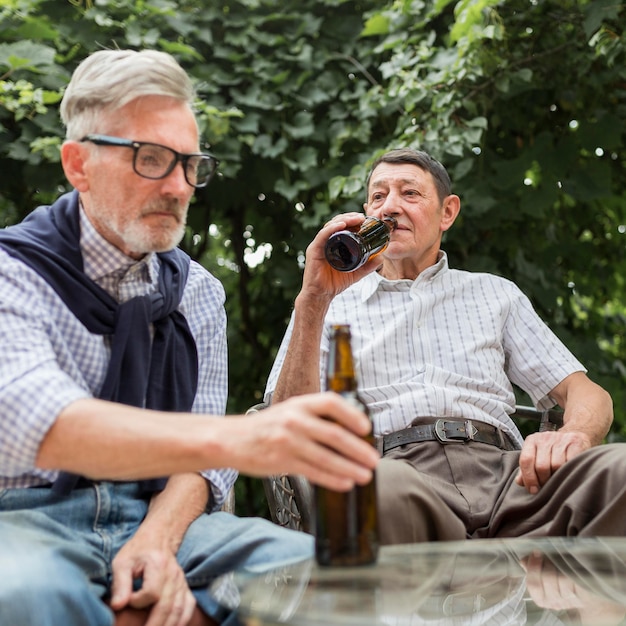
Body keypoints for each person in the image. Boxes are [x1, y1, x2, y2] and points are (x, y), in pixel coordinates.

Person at [0, 49, 379, 626]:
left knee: (325, 578)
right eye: (151, 159)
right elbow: (44, 425)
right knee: (27, 595)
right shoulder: (13, 274)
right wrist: (243, 439)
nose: (179, 186)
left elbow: (200, 472)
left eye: (189, 163)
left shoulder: (197, 291)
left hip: (160, 516)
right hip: (24, 520)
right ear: (78, 165)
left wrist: (157, 538)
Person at [265, 147, 626, 544]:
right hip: (395, 473)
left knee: (619, 470)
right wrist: (313, 300)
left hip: (510, 477)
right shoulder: (327, 303)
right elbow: (285, 420)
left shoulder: (494, 294)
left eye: (410, 193)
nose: (390, 207)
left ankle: (589, 605)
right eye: (379, 196)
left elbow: (585, 392)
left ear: (448, 213)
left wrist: (574, 434)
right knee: (374, 490)